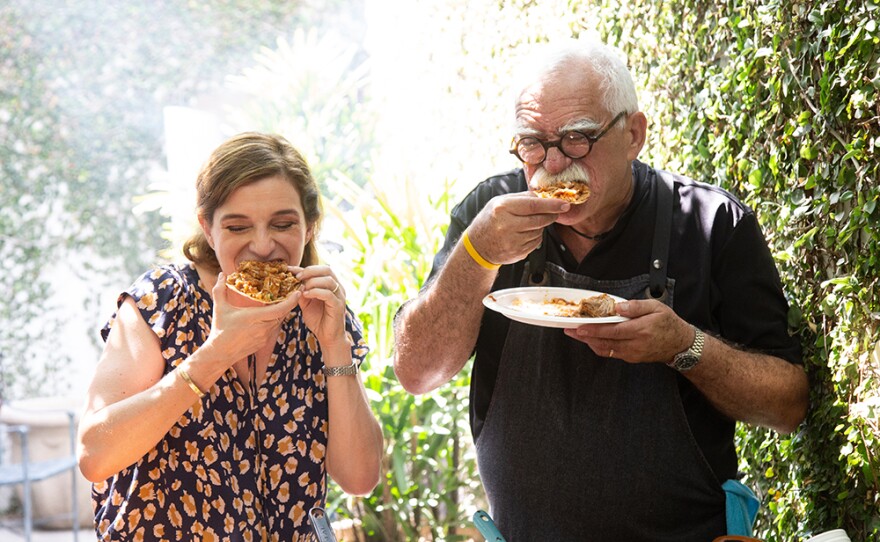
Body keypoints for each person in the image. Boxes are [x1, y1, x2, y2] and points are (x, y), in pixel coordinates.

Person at [392, 39, 809, 541]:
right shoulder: (491, 212)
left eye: (576, 138)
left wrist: (686, 347)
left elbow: (788, 406)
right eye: (532, 142)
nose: (551, 165)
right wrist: (476, 254)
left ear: (634, 134)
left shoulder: (710, 224)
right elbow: (416, 372)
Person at [77, 132, 383, 541]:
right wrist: (215, 354)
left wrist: (334, 345)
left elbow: (360, 477)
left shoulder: (322, 314)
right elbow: (94, 455)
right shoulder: (163, 302)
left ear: (310, 227)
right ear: (208, 226)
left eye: (283, 224)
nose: (262, 244)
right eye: (238, 226)